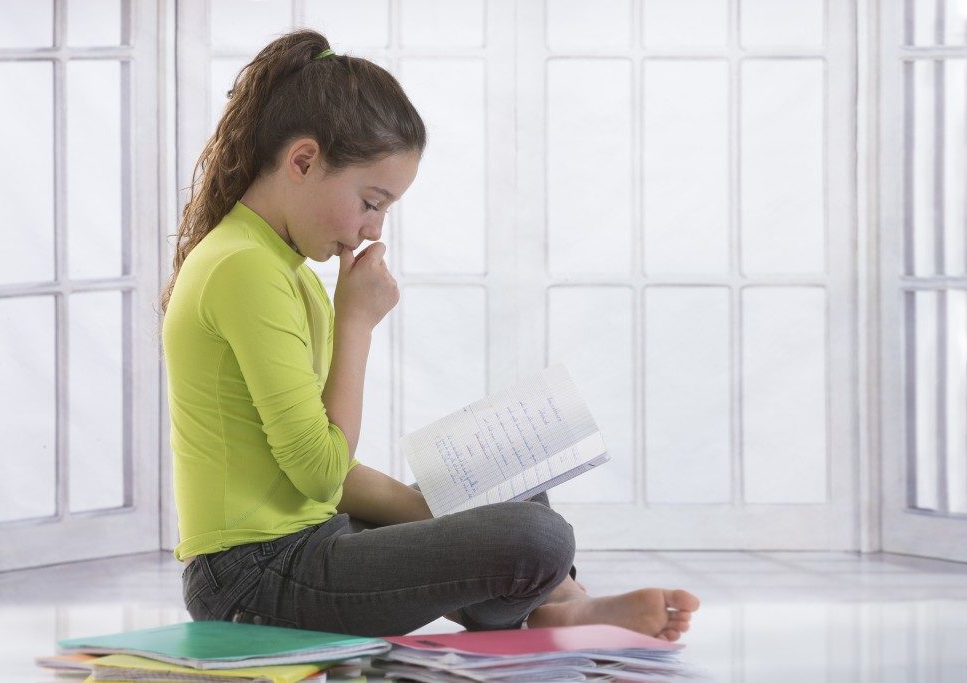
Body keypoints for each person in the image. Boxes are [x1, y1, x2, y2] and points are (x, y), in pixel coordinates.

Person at [161, 29, 699, 639]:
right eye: (370, 201)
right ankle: (550, 601)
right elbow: (318, 473)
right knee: (535, 536)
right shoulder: (244, 269)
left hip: (308, 542)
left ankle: (558, 602)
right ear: (304, 161)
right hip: (254, 576)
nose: (372, 229)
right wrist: (355, 321)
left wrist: (438, 506)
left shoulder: (276, 264)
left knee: (519, 498)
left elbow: (316, 475)